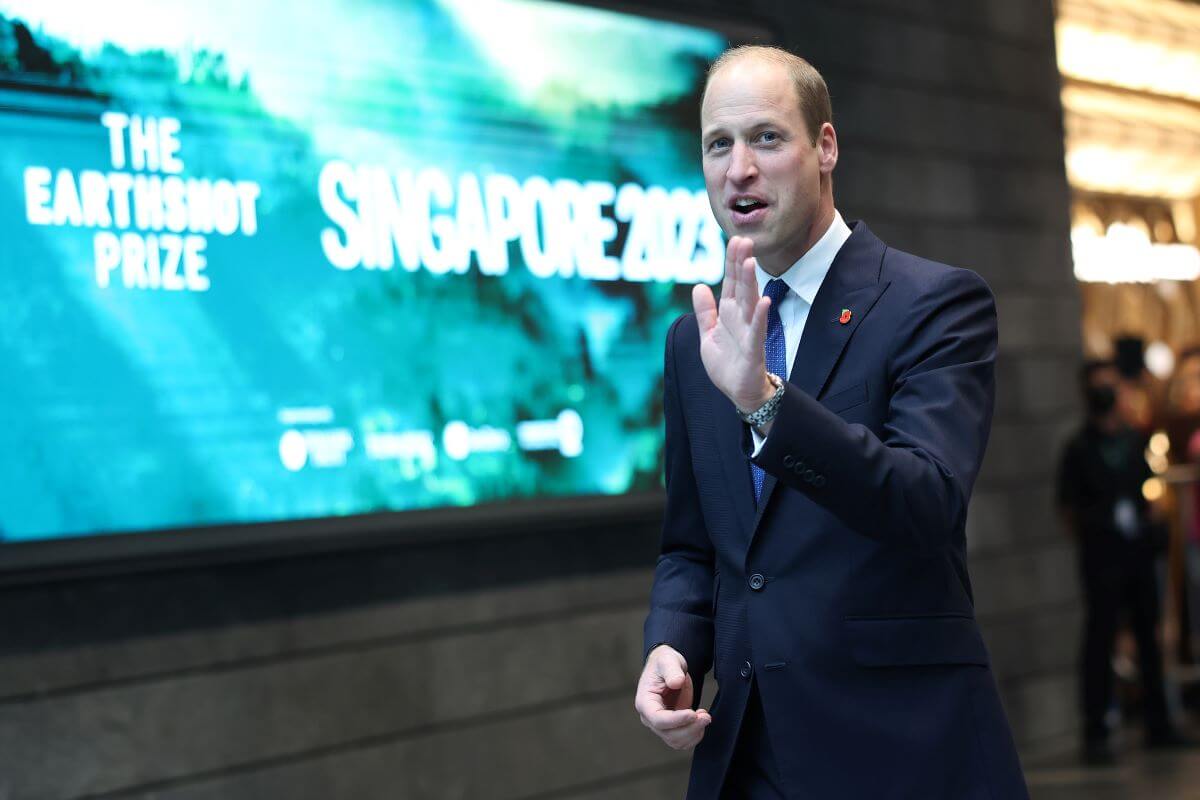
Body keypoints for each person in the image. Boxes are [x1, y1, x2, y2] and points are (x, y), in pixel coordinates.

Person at [632, 45, 1028, 799]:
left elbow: (926, 498)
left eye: (766, 138)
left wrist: (766, 405)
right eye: (719, 144)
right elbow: (693, 544)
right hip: (747, 754)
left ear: (825, 147)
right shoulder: (697, 339)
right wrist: (672, 643)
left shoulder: (933, 304)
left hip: (901, 750)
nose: (738, 168)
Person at [1057, 359, 1187, 764]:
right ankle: (1095, 728)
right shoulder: (1079, 448)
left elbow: (1146, 489)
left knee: (1148, 638)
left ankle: (1158, 723)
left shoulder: (1131, 440)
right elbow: (1068, 507)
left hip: (1136, 555)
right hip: (1102, 557)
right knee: (1100, 638)